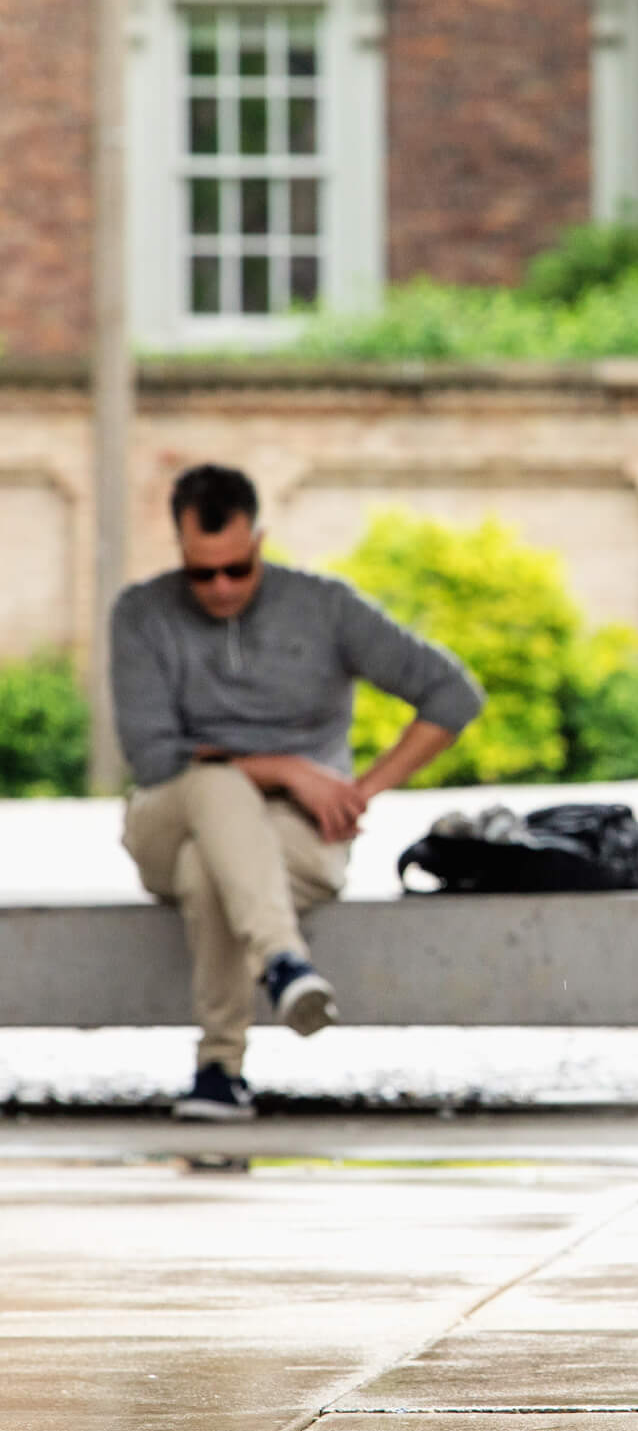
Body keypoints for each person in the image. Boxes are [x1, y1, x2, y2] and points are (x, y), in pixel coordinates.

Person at [112, 464, 485, 1122]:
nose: (221, 587)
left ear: (259, 541)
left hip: (297, 835)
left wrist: (363, 789)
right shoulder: (141, 614)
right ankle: (283, 961)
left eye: (236, 568)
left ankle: (219, 1073)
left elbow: (452, 695)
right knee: (211, 791)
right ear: (179, 550)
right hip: (170, 815)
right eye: (202, 573)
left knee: (213, 869)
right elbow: (153, 757)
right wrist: (286, 768)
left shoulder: (325, 606)